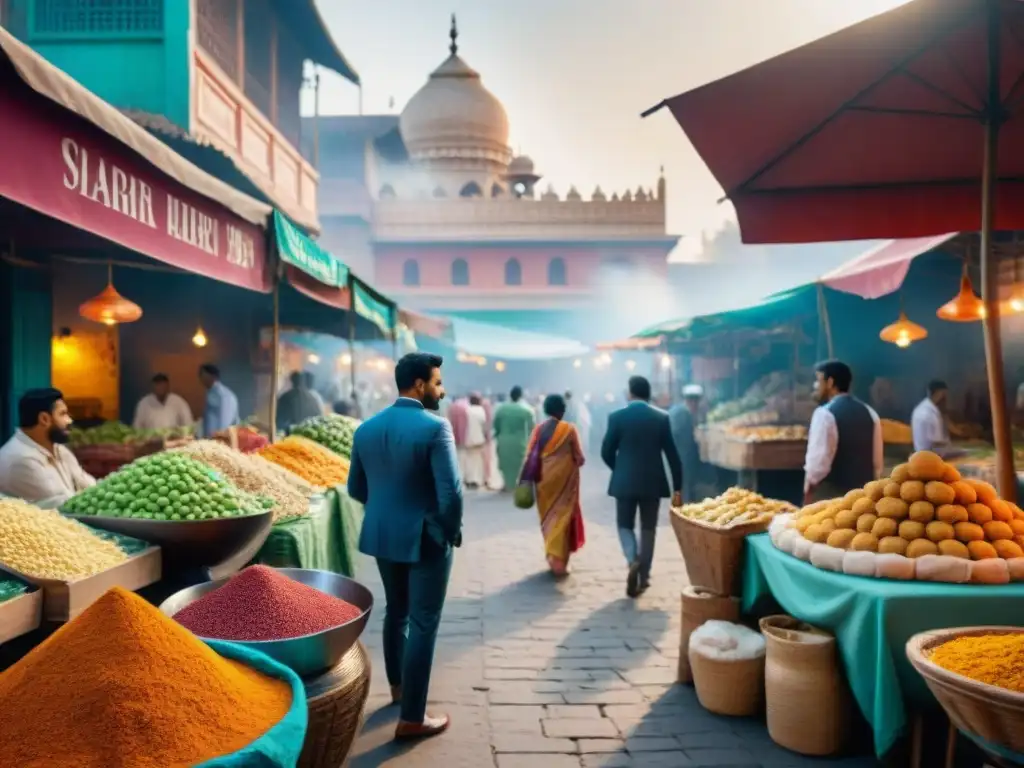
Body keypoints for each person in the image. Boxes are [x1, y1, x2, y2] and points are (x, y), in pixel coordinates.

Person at [347, 352, 462, 740]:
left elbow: (356, 489)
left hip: (383, 534)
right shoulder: (435, 428)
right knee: (423, 622)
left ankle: (398, 690)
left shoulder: (365, 429)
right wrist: (450, 531)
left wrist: (388, 510)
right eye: (438, 382)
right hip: (427, 536)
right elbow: (451, 494)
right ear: (419, 385)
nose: (442, 391)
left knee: (396, 611)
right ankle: (413, 717)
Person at [601, 376, 683, 597]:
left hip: (624, 482)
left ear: (630, 393)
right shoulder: (661, 418)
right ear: (648, 394)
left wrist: (618, 469)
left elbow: (606, 451)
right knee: (648, 529)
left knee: (624, 525)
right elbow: (673, 456)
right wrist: (678, 487)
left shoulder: (616, 417)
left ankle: (632, 559)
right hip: (652, 483)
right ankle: (644, 576)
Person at [804, 359, 884, 504]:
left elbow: (817, 465)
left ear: (830, 382)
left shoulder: (824, 414)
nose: (815, 386)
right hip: (863, 499)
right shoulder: (870, 412)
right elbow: (877, 462)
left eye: (818, 380)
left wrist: (808, 490)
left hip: (831, 499)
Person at [522, 394, 586, 575]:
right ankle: (560, 562)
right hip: (565, 483)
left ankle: (552, 555)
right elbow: (579, 457)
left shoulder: (538, 430)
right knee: (563, 519)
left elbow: (530, 455)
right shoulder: (570, 430)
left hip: (543, 480)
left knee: (548, 518)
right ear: (563, 410)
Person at [0, 388, 96, 507]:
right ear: (44, 419)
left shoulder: (60, 450)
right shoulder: (20, 460)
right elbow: (63, 506)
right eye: (63, 414)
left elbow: (90, 486)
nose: (69, 420)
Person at [492, 386, 536, 491]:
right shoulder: (526, 409)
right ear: (521, 396)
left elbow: (496, 425)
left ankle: (507, 484)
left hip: (504, 440)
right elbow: (532, 427)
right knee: (519, 463)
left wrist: (498, 435)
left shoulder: (501, 409)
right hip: (520, 440)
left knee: (505, 463)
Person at [669, 384, 704, 503]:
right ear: (691, 401)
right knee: (685, 488)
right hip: (683, 457)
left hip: (683, 457)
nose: (696, 405)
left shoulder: (681, 411)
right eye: (695, 402)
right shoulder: (681, 414)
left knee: (685, 488)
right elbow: (678, 436)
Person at [912, 380, 964, 457]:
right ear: (940, 393)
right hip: (929, 456)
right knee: (966, 453)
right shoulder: (928, 414)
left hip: (925, 452)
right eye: (945, 394)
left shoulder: (923, 408)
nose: (946, 399)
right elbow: (935, 444)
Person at [198, 363, 239, 437]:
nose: (200, 377)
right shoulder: (211, 392)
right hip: (212, 440)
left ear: (212, 376)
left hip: (221, 440)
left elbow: (224, 420)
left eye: (202, 374)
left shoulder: (222, 395)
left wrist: (218, 437)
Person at [462, 394, 489, 489]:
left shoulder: (466, 410)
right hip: (478, 439)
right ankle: (476, 480)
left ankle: (468, 479)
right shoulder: (480, 410)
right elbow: (484, 425)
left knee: (468, 459)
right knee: (477, 461)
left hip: (467, 439)